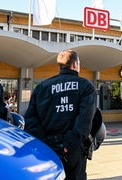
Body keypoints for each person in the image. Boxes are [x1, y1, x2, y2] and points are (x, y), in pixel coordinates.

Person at [24, 50, 97, 180]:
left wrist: (45, 144)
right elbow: (84, 121)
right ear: (75, 64)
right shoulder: (85, 86)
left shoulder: (42, 87)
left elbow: (31, 120)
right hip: (73, 150)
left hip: (48, 148)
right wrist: (67, 145)